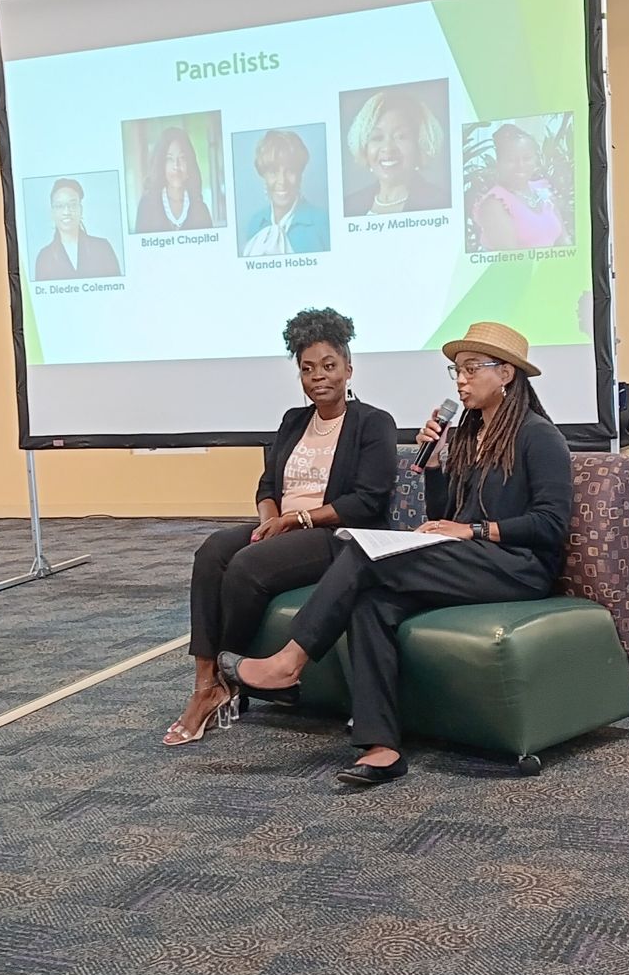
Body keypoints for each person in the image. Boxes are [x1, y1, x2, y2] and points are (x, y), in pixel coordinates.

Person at [221, 321, 570, 786]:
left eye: (471, 369)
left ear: (506, 374)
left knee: (367, 555)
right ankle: (382, 746)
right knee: (370, 604)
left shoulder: (537, 435)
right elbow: (446, 513)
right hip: (470, 560)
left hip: (520, 569)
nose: (461, 381)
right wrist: (436, 461)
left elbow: (550, 525)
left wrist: (475, 530)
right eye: (456, 371)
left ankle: (290, 661)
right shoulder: (467, 435)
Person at [166, 308, 398, 747]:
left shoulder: (373, 422)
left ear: (349, 368)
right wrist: (270, 519)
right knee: (213, 551)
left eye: (329, 366)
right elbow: (268, 483)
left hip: (337, 536)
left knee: (249, 565)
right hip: (286, 524)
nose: (318, 377)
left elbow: (367, 501)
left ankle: (225, 676)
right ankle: (204, 681)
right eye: (307, 369)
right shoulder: (294, 420)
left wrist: (298, 519)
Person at [343, 88, 451, 217]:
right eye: (377, 138)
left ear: (420, 144)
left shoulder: (440, 202)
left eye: (401, 136)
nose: (388, 148)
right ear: (364, 148)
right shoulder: (349, 205)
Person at [473, 124, 568, 250]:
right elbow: (512, 261)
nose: (520, 165)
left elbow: (564, 241)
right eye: (511, 160)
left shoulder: (543, 190)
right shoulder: (493, 204)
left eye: (527, 158)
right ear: (499, 163)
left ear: (536, 159)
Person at [240, 130, 330, 257]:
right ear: (263, 175)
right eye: (273, 172)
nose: (282, 181)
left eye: (290, 171)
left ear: (300, 173)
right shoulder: (255, 223)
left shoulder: (322, 222)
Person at [34, 178, 122, 280]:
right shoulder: (44, 257)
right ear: (52, 213)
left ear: (81, 209)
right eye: (59, 206)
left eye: (72, 204)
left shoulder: (102, 248)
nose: (66, 212)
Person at [132, 126, 215, 233]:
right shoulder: (146, 206)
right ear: (161, 164)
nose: (176, 166)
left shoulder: (201, 210)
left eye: (182, 158)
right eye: (169, 159)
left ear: (190, 164)